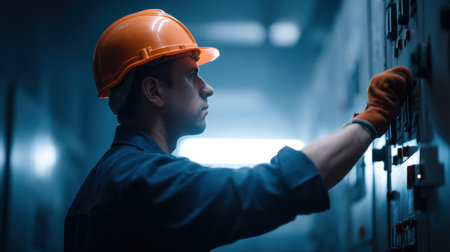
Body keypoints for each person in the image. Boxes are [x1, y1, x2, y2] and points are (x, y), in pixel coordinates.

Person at [64, 9, 412, 251]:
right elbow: (273, 187)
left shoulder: (97, 187)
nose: (206, 87)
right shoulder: (143, 181)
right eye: (190, 75)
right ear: (153, 91)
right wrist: (371, 119)